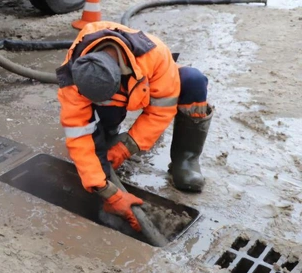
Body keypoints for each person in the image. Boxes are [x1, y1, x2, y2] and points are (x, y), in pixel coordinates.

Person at [56, 21, 213, 231]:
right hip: (114, 91)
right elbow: (78, 132)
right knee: (94, 144)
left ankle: (186, 159)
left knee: (193, 80)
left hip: (144, 82)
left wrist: (127, 146)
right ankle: (107, 134)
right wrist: (103, 188)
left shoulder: (155, 54)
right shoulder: (75, 74)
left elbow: (160, 112)